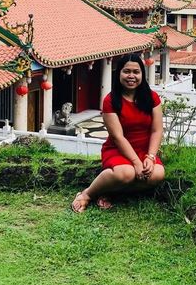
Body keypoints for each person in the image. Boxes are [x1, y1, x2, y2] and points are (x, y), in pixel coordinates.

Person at [71, 53, 165, 212]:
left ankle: (111, 192)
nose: (131, 76)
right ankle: (88, 194)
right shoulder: (110, 100)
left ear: (142, 74)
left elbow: (157, 130)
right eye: (126, 71)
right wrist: (136, 162)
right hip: (118, 150)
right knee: (126, 173)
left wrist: (150, 156)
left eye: (136, 72)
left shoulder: (152, 97)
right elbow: (117, 136)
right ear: (118, 73)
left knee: (157, 174)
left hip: (144, 150)